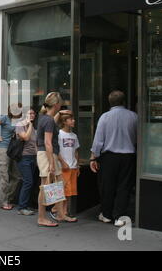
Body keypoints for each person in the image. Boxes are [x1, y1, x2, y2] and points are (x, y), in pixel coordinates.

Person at [90, 90, 137, 227]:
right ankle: (120, 217)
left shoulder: (104, 117)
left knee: (107, 186)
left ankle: (106, 214)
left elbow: (98, 140)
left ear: (110, 103)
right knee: (124, 187)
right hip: (128, 156)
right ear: (124, 102)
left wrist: (93, 157)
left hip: (108, 157)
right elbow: (136, 138)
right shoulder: (134, 116)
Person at [36, 92, 77, 227]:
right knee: (45, 186)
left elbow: (51, 122)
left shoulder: (44, 118)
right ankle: (42, 217)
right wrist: (52, 163)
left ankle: (60, 214)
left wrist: (60, 113)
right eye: (60, 104)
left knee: (57, 185)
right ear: (56, 104)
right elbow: (48, 143)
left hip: (46, 154)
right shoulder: (47, 120)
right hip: (47, 155)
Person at [0, 104, 22, 211]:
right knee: (4, 176)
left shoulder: (18, 120)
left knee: (17, 176)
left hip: (14, 150)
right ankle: (4, 202)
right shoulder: (4, 117)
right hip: (3, 149)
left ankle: (8, 197)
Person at [57, 111, 80, 219]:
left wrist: (78, 165)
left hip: (73, 167)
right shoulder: (59, 134)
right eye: (71, 119)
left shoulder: (74, 136)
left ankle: (64, 211)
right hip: (63, 167)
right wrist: (62, 162)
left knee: (70, 191)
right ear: (65, 121)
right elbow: (56, 151)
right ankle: (59, 211)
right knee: (63, 190)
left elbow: (76, 151)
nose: (73, 121)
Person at [15, 108, 38, 216]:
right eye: (30, 113)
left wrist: (38, 157)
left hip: (33, 157)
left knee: (30, 182)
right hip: (24, 157)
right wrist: (29, 125)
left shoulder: (33, 127)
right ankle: (22, 207)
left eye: (33, 113)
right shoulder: (20, 125)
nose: (32, 115)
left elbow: (35, 144)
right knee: (28, 181)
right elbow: (26, 137)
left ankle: (25, 205)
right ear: (25, 115)